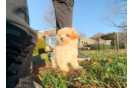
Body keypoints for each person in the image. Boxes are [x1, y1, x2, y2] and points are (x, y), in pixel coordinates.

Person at [6, 0, 90, 88]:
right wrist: (63, 68)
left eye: (67, 35)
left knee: (65, 1)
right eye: (60, 36)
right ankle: (13, 47)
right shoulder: (59, 47)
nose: (61, 38)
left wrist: (75, 65)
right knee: (56, 58)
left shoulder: (73, 40)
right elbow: (58, 58)